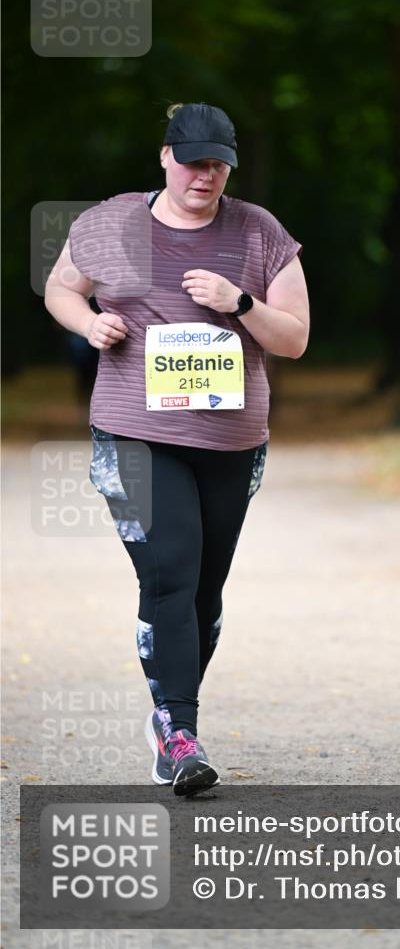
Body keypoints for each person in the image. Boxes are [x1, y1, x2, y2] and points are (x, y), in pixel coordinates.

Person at [44, 102, 309, 795]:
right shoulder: (110, 223)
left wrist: (239, 302)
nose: (206, 175)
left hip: (229, 439)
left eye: (218, 164)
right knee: (168, 572)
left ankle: (169, 705)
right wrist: (90, 323)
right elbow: (60, 289)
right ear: (165, 155)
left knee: (201, 589)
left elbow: (294, 338)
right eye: (193, 160)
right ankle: (179, 732)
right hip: (134, 431)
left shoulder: (258, 232)